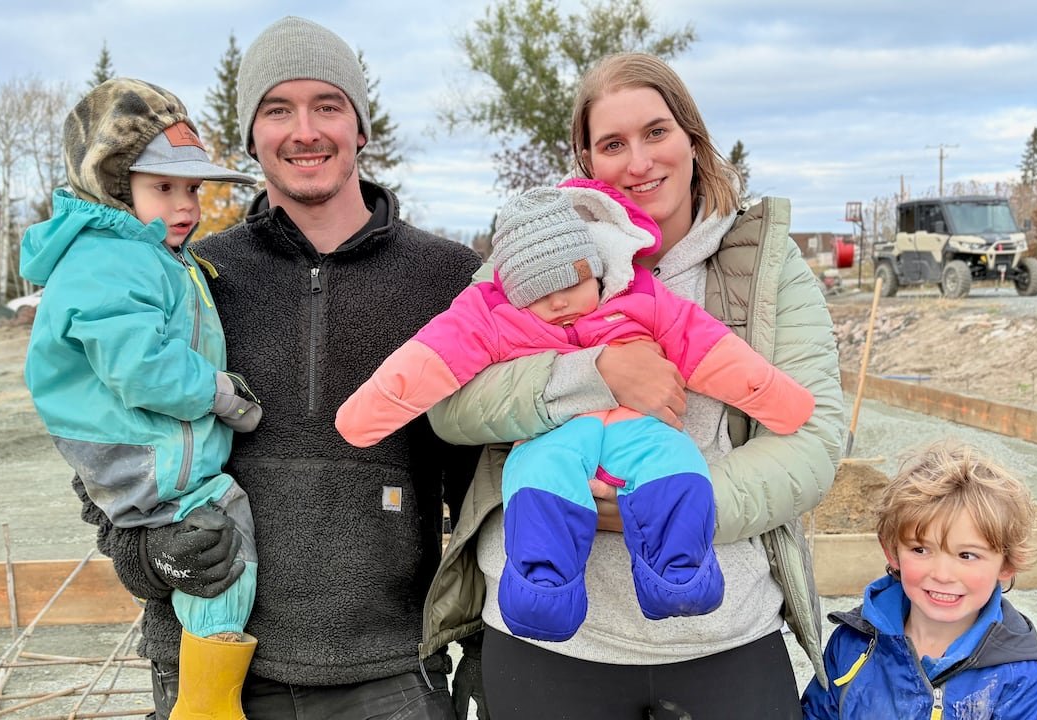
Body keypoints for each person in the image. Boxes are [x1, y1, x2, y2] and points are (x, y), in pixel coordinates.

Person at [68, 16, 482, 720]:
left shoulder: (445, 279)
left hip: (387, 671)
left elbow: (481, 482)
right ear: (252, 134)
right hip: (209, 662)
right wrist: (150, 558)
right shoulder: (187, 277)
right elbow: (103, 445)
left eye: (328, 105)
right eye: (277, 109)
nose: (305, 130)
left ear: (361, 126)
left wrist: (485, 640)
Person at [419, 52, 845, 719]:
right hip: (551, 643)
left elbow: (813, 442)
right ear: (586, 161)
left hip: (722, 636)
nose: (639, 161)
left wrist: (673, 506)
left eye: (656, 132)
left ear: (693, 140)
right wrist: (592, 373)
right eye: (612, 144)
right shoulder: (533, 259)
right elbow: (449, 404)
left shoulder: (766, 267)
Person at [337, 179, 814, 643]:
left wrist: (773, 396)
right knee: (540, 479)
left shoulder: (638, 296)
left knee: (674, 463)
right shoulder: (492, 315)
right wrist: (368, 410)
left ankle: (680, 576)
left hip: (639, 428)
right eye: (539, 295)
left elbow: (705, 345)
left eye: (572, 282)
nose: (560, 301)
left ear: (596, 268)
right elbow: (430, 358)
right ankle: (542, 591)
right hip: (555, 435)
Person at [20, 77, 264, 719]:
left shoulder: (147, 255)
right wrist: (221, 395)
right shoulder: (110, 261)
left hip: (145, 451)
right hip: (140, 456)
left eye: (193, 188)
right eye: (164, 187)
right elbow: (142, 370)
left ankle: (205, 689)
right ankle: (207, 703)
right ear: (113, 184)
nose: (187, 205)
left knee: (211, 535)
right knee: (218, 537)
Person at [800, 441, 1037, 719]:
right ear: (892, 552)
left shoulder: (1022, 681)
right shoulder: (852, 643)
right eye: (920, 550)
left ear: (1007, 565)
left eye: (967, 555)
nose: (942, 574)